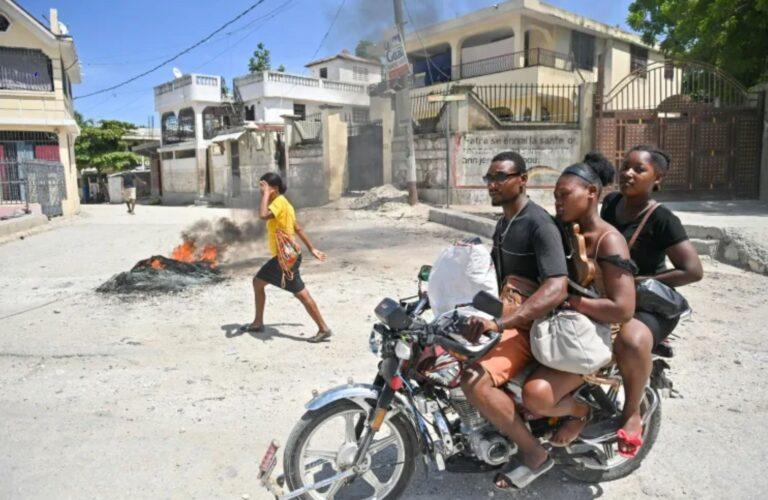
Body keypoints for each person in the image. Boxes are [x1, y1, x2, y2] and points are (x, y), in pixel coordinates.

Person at [460, 151, 569, 490]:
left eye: (500, 177)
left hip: (532, 326)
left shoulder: (539, 224)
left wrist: (504, 323)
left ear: (522, 180)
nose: (492, 184)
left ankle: (534, 453)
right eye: (489, 178)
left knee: (474, 380)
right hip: (507, 315)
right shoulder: (505, 222)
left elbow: (556, 286)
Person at [521, 152, 636, 447]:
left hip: (596, 334)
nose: (558, 202)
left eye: (564, 195)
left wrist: (572, 302)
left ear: (592, 192)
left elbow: (623, 309)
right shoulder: (564, 229)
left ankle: (581, 413)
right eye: (555, 196)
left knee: (536, 395)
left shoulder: (609, 240)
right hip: (566, 327)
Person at [601, 145, 702, 457]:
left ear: (657, 178)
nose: (628, 173)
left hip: (647, 304)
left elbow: (692, 270)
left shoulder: (662, 218)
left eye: (639, 169)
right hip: (611, 295)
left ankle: (631, 412)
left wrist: (639, 281)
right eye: (625, 167)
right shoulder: (611, 203)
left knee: (630, 341)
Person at [242, 172, 333, 343]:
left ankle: (323, 328)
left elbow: (262, 215)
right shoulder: (285, 204)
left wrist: (267, 194)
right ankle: (257, 322)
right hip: (287, 255)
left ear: (274, 188)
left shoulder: (279, 202)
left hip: (285, 258)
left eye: (264, 187)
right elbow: (297, 228)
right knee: (258, 283)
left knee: (300, 293)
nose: (261, 191)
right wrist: (311, 248)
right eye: (261, 188)